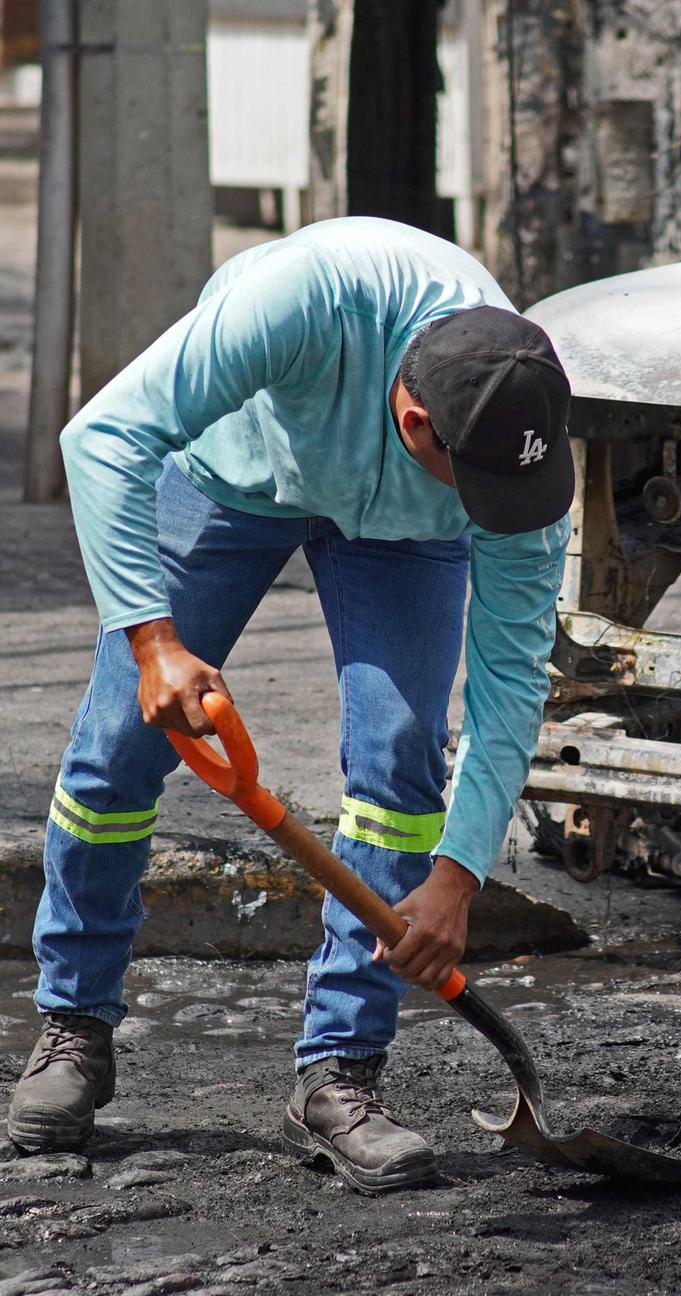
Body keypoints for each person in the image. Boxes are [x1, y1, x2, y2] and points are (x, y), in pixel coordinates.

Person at [6, 217, 574, 1196]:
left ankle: (339, 1072)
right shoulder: (299, 303)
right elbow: (98, 436)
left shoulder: (515, 460)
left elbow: (511, 680)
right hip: (239, 475)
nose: (500, 513)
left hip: (400, 536)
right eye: (475, 486)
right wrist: (154, 642)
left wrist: (458, 876)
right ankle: (73, 1027)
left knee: (400, 759)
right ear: (415, 426)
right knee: (120, 743)